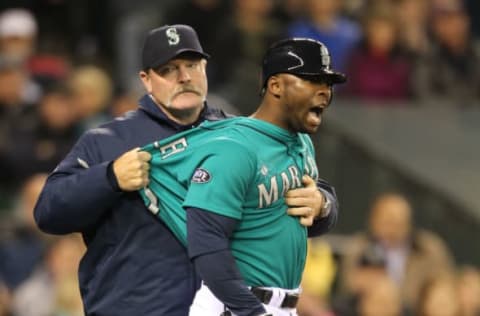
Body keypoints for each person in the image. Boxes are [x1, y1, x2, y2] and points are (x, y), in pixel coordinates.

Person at [33, 25, 338, 316]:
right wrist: (109, 177)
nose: (183, 77)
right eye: (168, 70)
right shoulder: (109, 142)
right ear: (146, 80)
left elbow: (282, 215)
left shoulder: (240, 137)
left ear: (205, 70)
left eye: (192, 65)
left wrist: (323, 204)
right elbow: (48, 211)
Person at [140, 37, 345, 316]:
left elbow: (300, 223)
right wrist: (252, 312)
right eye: (313, 80)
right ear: (275, 86)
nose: (325, 91)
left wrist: (324, 204)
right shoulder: (235, 150)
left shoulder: (301, 141)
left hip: (280, 305)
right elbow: (207, 245)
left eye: (328, 84)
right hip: (234, 305)